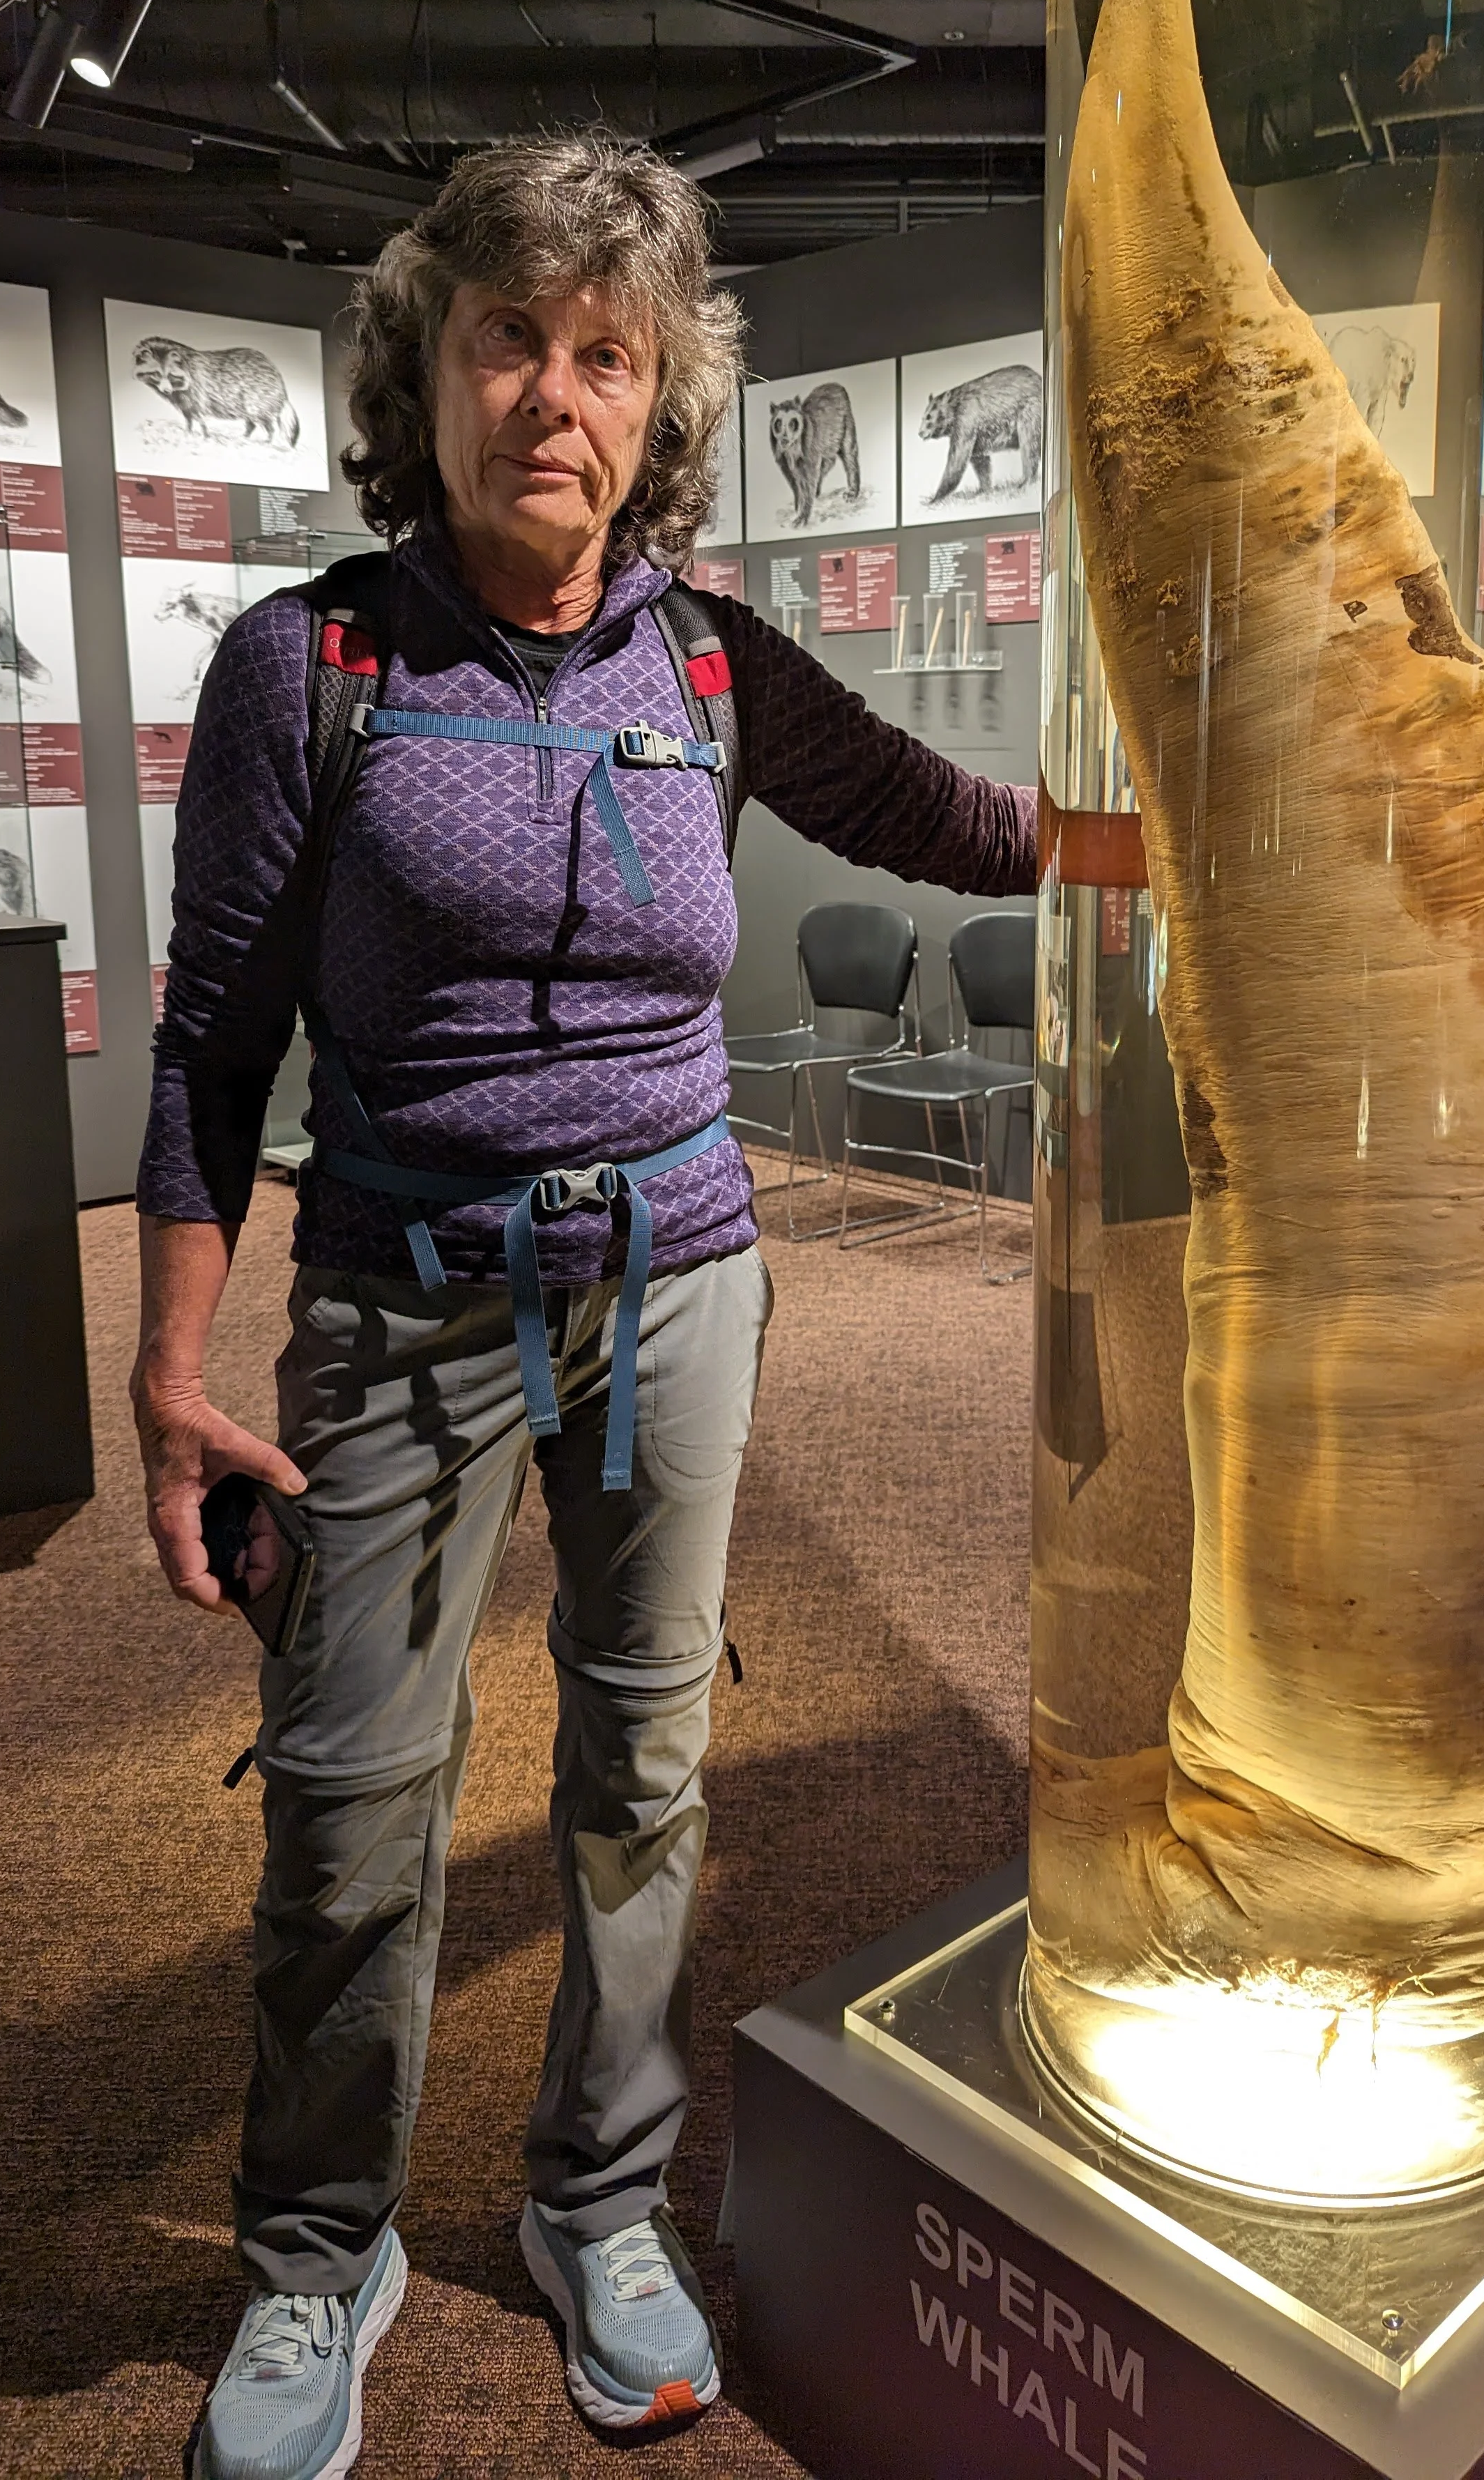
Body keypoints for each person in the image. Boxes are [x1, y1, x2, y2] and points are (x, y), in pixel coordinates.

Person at [131, 135, 1036, 2479]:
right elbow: (215, 1049)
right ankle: (319, 2259)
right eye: (510, 336)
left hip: (680, 1291)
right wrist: (167, 1372)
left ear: (662, 407)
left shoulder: (714, 663)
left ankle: (594, 2202)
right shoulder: (309, 665)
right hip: (398, 1303)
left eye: (607, 354)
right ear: (424, 374)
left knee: (644, 1776)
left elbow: (955, 816)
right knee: (349, 1806)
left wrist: (1210, 831)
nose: (557, 391)